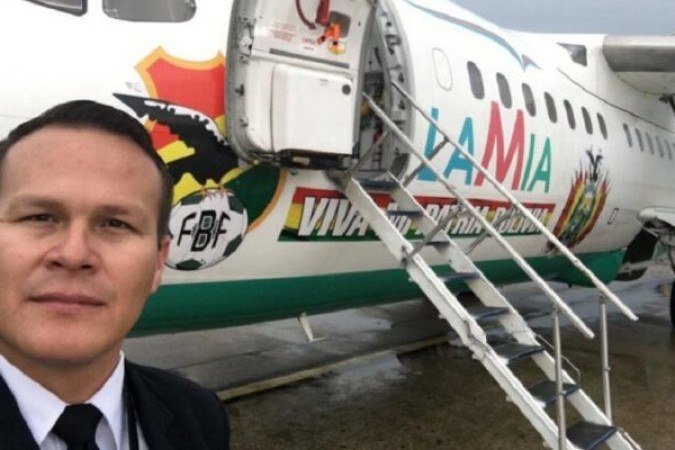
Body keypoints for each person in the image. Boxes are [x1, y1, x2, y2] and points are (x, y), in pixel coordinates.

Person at [0, 100, 230, 449]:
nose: (74, 255)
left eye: (115, 224)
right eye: (39, 217)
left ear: (158, 261)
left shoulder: (199, 414)